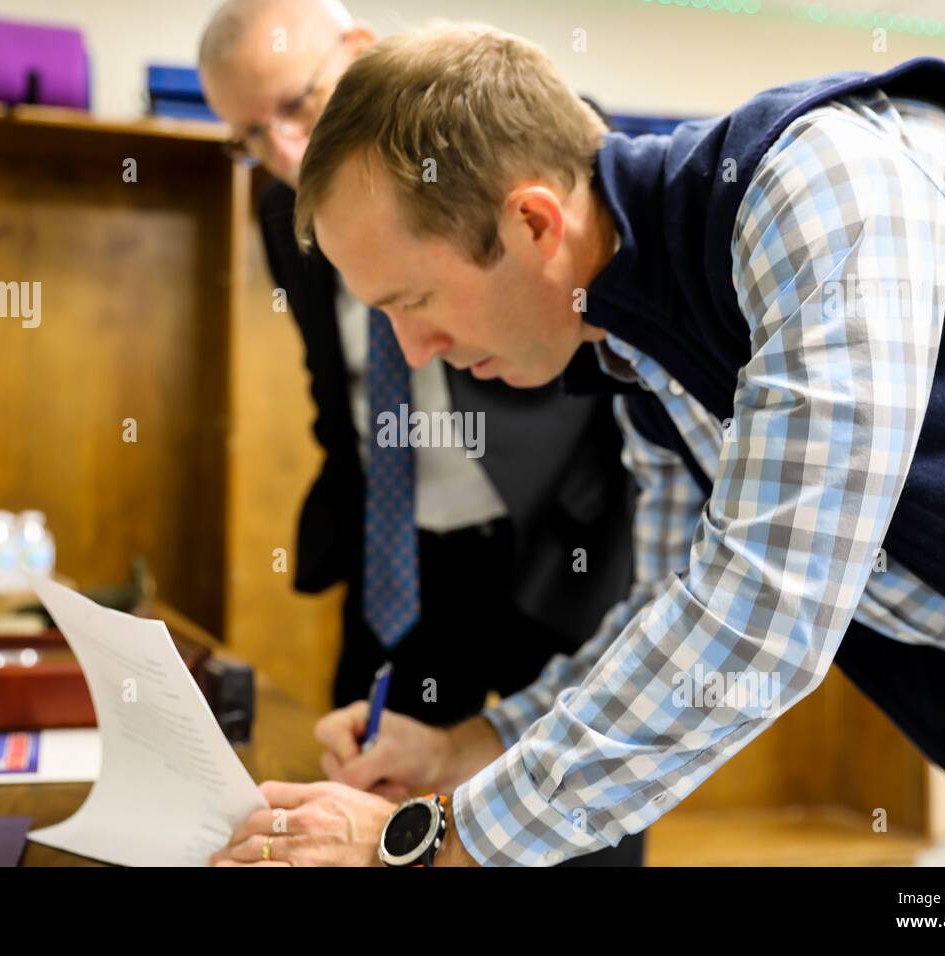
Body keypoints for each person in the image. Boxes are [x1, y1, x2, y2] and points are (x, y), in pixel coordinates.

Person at [210, 22, 945, 867]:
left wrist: (434, 839)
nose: (410, 350)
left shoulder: (821, 187)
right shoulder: (634, 343)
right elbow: (669, 604)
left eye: (414, 301)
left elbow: (763, 615)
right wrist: (471, 745)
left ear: (534, 225)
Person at [199, 7, 641, 865]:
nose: (286, 152)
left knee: (580, 810)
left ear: (356, 54)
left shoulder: (518, 145)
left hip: (553, 546)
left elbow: (618, 379)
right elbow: (338, 389)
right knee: (371, 798)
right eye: (252, 136)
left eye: (296, 106)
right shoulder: (282, 218)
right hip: (402, 557)